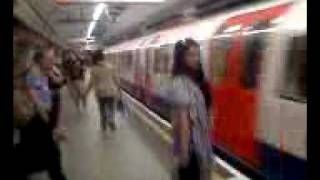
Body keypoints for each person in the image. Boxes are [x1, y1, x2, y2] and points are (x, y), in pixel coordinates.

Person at [15, 46, 67, 180]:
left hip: (38, 120)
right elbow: (34, 96)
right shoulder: (34, 74)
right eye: (49, 59)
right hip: (35, 120)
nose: (53, 61)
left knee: (34, 154)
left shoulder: (42, 72)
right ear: (40, 60)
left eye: (53, 58)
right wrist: (49, 122)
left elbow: (58, 83)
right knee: (51, 155)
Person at [170, 39, 212, 180]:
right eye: (190, 55)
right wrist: (184, 152)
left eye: (197, 54)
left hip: (199, 143)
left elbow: (208, 109)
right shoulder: (180, 83)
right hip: (191, 145)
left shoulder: (200, 80)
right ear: (181, 58)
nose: (195, 59)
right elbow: (183, 121)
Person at [85, 50, 119, 132]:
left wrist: (85, 93)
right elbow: (116, 80)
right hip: (112, 91)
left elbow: (91, 83)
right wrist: (119, 90)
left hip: (100, 92)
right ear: (103, 57)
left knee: (102, 109)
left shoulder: (94, 69)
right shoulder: (111, 67)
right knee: (111, 108)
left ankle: (103, 126)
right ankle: (111, 119)